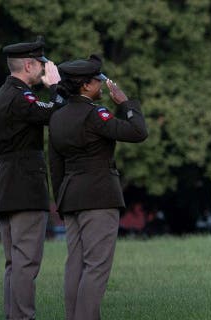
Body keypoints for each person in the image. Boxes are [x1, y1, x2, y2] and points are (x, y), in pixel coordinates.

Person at [49, 54, 148, 320]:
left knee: (75, 265)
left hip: (70, 197)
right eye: (98, 81)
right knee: (96, 266)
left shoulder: (56, 117)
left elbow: (55, 163)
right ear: (85, 86)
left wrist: (60, 199)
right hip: (98, 198)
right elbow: (138, 132)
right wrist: (126, 103)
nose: (102, 85)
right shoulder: (95, 114)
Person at [0, 36, 62, 319]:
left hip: (4, 188)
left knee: (14, 263)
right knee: (26, 263)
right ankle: (23, 317)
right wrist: (55, 88)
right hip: (25, 189)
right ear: (28, 64)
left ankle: (13, 315)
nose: (44, 68)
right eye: (41, 63)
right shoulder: (21, 98)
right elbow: (55, 113)